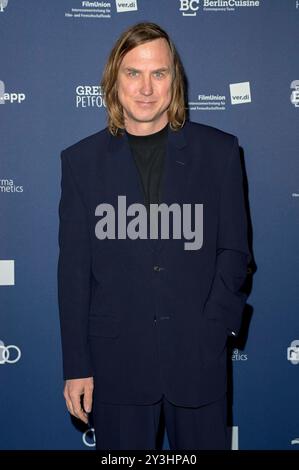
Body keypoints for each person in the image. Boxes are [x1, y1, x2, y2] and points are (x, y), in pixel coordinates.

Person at [57, 22, 251, 450]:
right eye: (133, 73)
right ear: (114, 80)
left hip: (198, 361)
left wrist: (212, 328)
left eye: (158, 73)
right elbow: (73, 273)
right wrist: (77, 364)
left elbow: (235, 251)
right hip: (116, 363)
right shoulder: (80, 162)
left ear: (174, 81)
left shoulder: (220, 153)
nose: (146, 87)